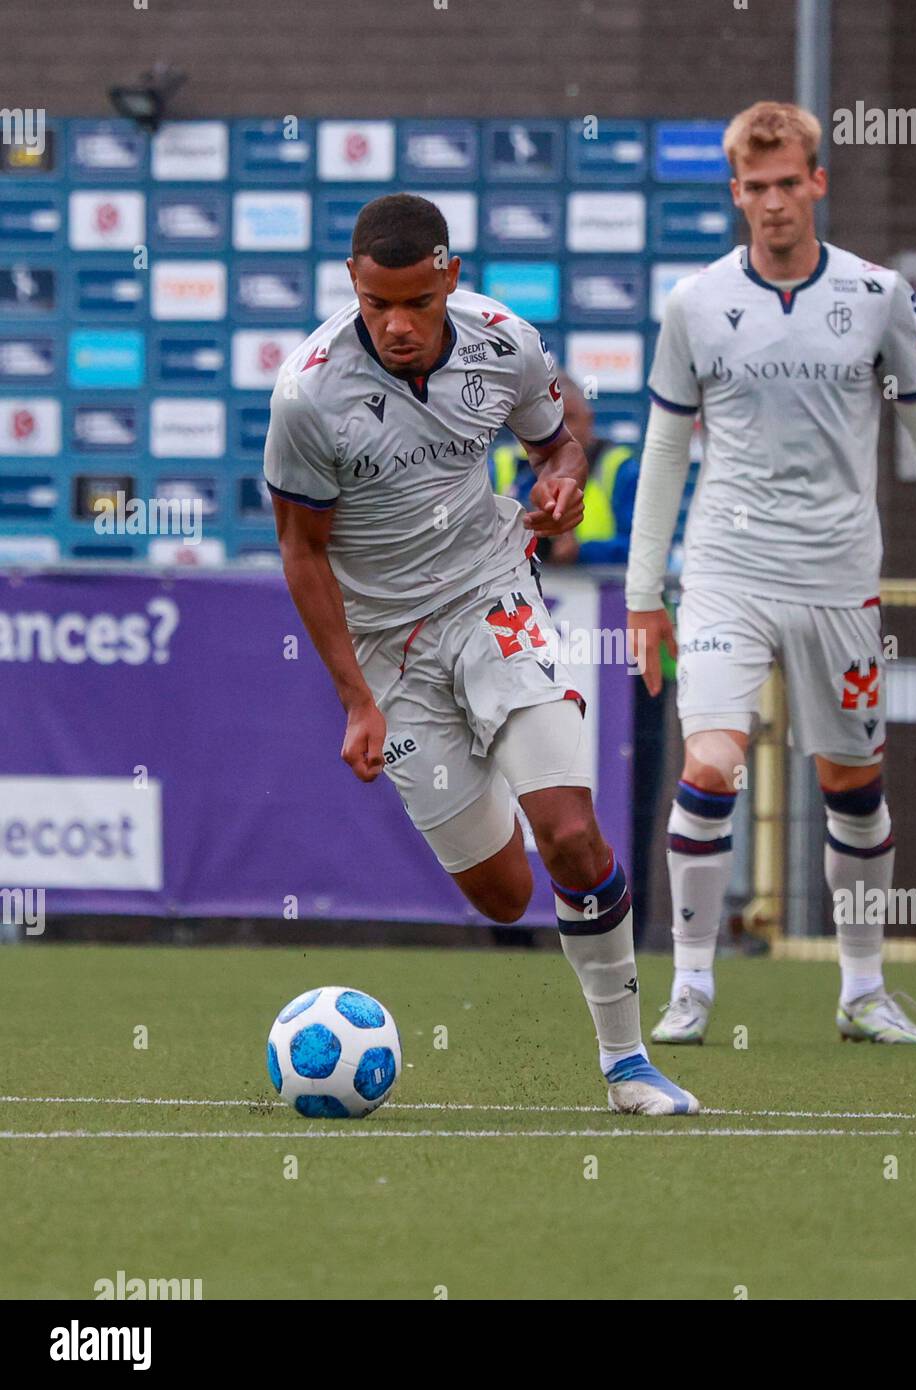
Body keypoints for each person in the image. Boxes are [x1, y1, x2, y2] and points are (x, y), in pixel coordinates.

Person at [264, 193, 698, 1115]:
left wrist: (563, 489)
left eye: (416, 303)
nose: (397, 324)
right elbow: (302, 552)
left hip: (490, 599)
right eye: (377, 304)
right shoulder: (307, 394)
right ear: (352, 284)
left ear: (448, 279)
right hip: (387, 648)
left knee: (574, 838)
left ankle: (627, 1066)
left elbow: (559, 448)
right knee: (505, 896)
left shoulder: (507, 344)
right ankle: (493, 772)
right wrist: (355, 699)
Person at [626, 102, 916, 1046]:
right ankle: (691, 986)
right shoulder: (695, 304)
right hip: (724, 571)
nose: (775, 202)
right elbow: (665, 452)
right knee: (711, 764)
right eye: (757, 187)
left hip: (839, 581)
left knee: (852, 784)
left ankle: (862, 990)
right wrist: (642, 596)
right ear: (736, 194)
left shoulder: (877, 295)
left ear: (818, 182)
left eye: (791, 183)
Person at [489, 374, 640, 566]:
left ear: (589, 420)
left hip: (597, 590)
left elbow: (643, 548)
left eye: (569, 418)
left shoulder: (620, 470)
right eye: (550, 420)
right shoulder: (502, 465)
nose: (560, 431)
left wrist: (580, 551)